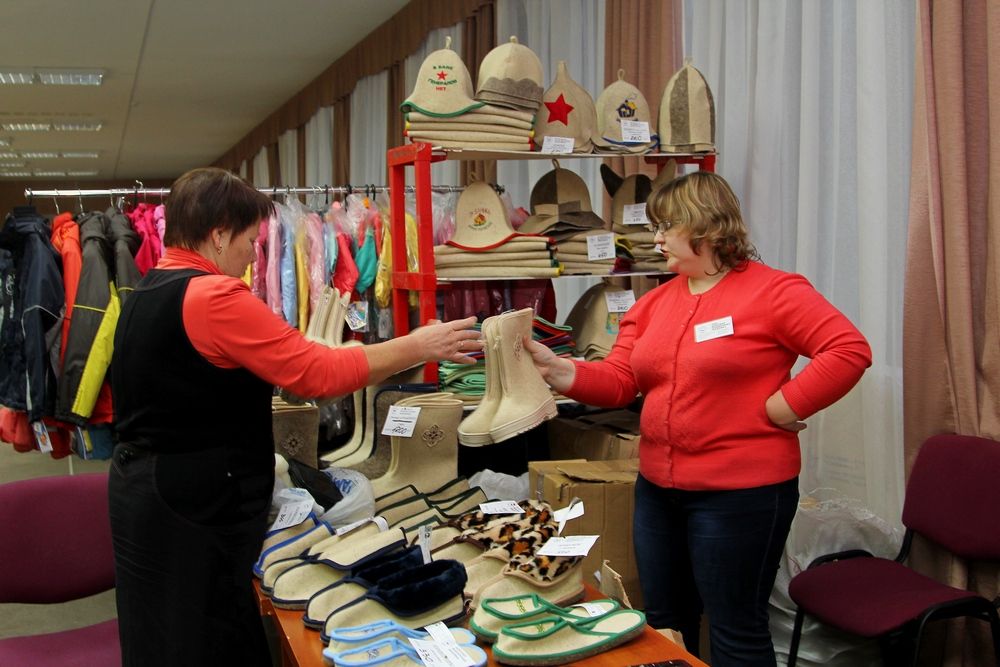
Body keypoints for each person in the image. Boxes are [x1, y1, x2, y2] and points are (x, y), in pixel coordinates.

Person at [108, 167, 482, 666]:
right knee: (202, 640)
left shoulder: (150, 289)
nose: (250, 253)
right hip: (188, 502)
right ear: (218, 235)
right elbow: (315, 372)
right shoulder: (214, 297)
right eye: (246, 239)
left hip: (146, 491)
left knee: (162, 635)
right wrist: (416, 345)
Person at [525, 171, 871, 666]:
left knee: (735, 627)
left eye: (667, 226)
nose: (657, 237)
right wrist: (558, 370)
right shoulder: (653, 304)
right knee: (664, 622)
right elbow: (621, 382)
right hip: (658, 493)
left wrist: (783, 406)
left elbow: (848, 349)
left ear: (706, 228)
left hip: (740, 496)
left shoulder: (774, 292)